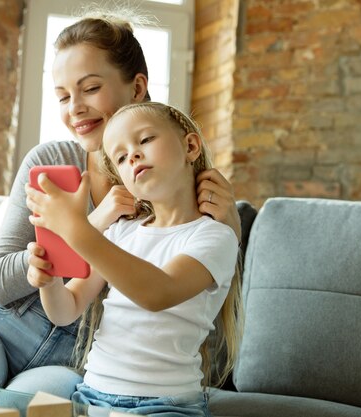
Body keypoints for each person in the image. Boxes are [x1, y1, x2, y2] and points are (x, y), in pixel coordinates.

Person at [0, 9, 242, 397]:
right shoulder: (49, 163)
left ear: (137, 87)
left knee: (24, 406)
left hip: (73, 362)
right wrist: (74, 235)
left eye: (90, 88)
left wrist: (234, 229)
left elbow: (190, 312)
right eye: (62, 96)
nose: (74, 107)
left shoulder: (167, 187)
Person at [25, 101, 242, 416]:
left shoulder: (215, 237)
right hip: (93, 394)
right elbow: (65, 310)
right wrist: (49, 281)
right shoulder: (120, 234)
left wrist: (75, 229)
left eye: (145, 140)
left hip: (166, 406)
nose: (134, 156)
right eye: (122, 158)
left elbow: (157, 292)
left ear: (190, 146)